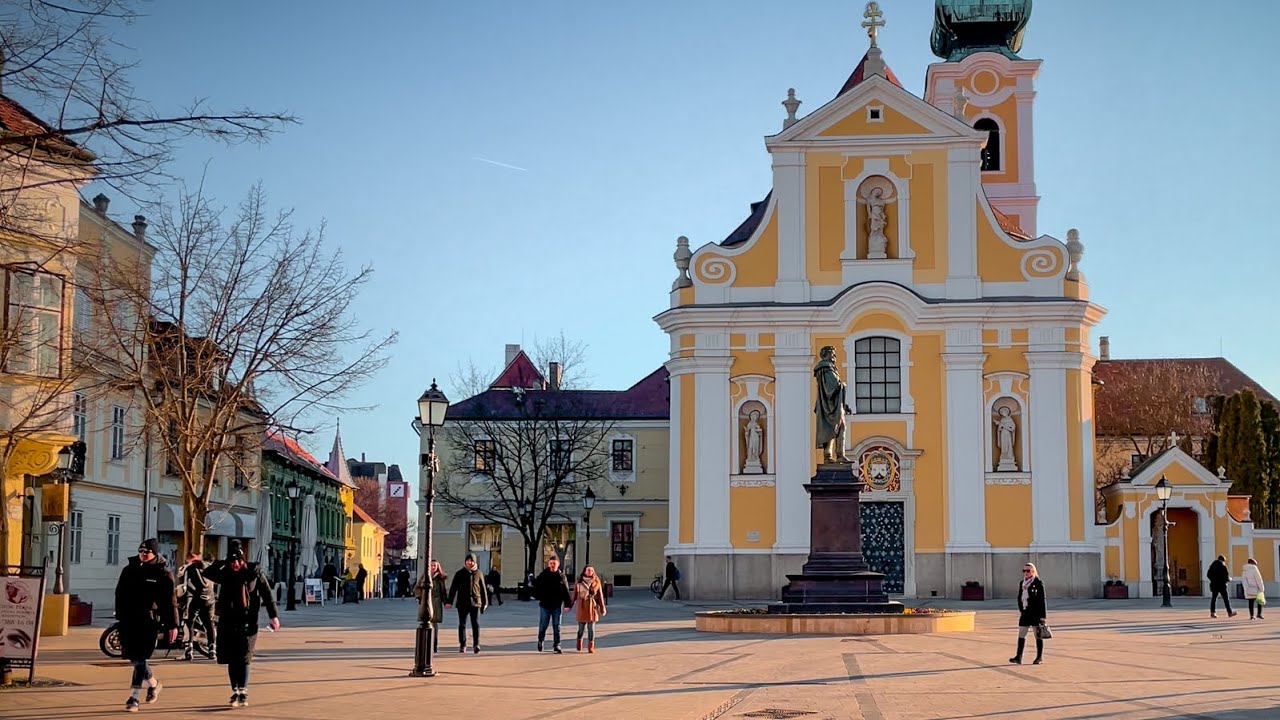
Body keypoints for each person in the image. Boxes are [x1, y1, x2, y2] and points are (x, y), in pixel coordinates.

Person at [204, 540, 280, 709]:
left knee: (244, 657)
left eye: (238, 561)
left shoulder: (253, 572)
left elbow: (267, 594)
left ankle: (243, 691)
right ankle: (235, 691)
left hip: (248, 621)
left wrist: (273, 616)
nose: (236, 564)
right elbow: (207, 572)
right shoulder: (225, 573)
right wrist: (222, 562)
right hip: (227, 620)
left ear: (243, 560)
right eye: (233, 562)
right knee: (231, 657)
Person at [114, 538, 178, 713]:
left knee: (141, 658)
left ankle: (134, 697)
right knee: (134, 659)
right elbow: (119, 593)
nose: (142, 555)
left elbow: (169, 602)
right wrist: (119, 615)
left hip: (148, 620)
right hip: (128, 620)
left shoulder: (163, 573)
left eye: (146, 552)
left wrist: (173, 625)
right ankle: (154, 685)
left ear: (154, 554)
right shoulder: (129, 569)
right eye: (140, 551)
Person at [177, 552, 216, 661]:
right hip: (210, 599)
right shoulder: (209, 566)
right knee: (209, 624)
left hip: (195, 599)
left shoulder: (188, 568)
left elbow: (182, 588)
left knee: (189, 623)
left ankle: (188, 651)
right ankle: (212, 650)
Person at [446, 554, 489, 653]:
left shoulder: (478, 573)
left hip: (475, 602)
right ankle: (463, 644)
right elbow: (453, 588)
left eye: (471, 561)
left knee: (475, 624)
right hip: (462, 602)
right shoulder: (459, 573)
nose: (469, 562)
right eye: (468, 560)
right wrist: (449, 601)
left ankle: (476, 645)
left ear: (474, 562)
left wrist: (485, 602)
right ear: (465, 562)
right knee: (462, 624)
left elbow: (483, 589)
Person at [533, 556, 572, 653]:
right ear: (548, 564)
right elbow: (536, 587)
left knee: (557, 626)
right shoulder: (543, 575)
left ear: (558, 564)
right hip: (545, 605)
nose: (552, 565)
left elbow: (566, 591)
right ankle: (540, 640)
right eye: (551, 563)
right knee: (543, 625)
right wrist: (538, 596)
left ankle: (557, 645)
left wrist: (567, 604)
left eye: (554, 563)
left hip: (556, 605)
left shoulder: (561, 576)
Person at [1010, 562, 1046, 665]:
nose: (1025, 573)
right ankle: (1018, 656)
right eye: (1024, 571)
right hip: (1025, 613)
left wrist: (1043, 617)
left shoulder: (1038, 583)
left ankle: (1039, 657)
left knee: (1037, 635)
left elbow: (1042, 601)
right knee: (1021, 634)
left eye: (1028, 571)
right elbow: (1019, 597)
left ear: (1033, 571)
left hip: (1035, 614)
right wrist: (1021, 609)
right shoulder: (1022, 583)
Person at [414, 560, 450, 651]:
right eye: (431, 565)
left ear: (438, 567)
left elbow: (443, 591)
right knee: (425, 623)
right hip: (426, 602)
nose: (433, 567)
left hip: (436, 602)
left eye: (435, 565)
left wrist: (446, 602)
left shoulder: (439, 578)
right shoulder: (424, 576)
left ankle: (434, 644)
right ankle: (425, 644)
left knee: (434, 624)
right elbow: (417, 588)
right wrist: (420, 597)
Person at [574, 566, 607, 653]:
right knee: (581, 629)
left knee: (591, 628)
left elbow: (600, 596)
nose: (590, 571)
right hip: (582, 606)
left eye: (592, 570)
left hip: (592, 607)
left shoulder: (596, 582)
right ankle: (579, 641)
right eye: (588, 570)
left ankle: (591, 646)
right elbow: (574, 595)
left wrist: (603, 608)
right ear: (584, 571)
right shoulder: (579, 581)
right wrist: (569, 605)